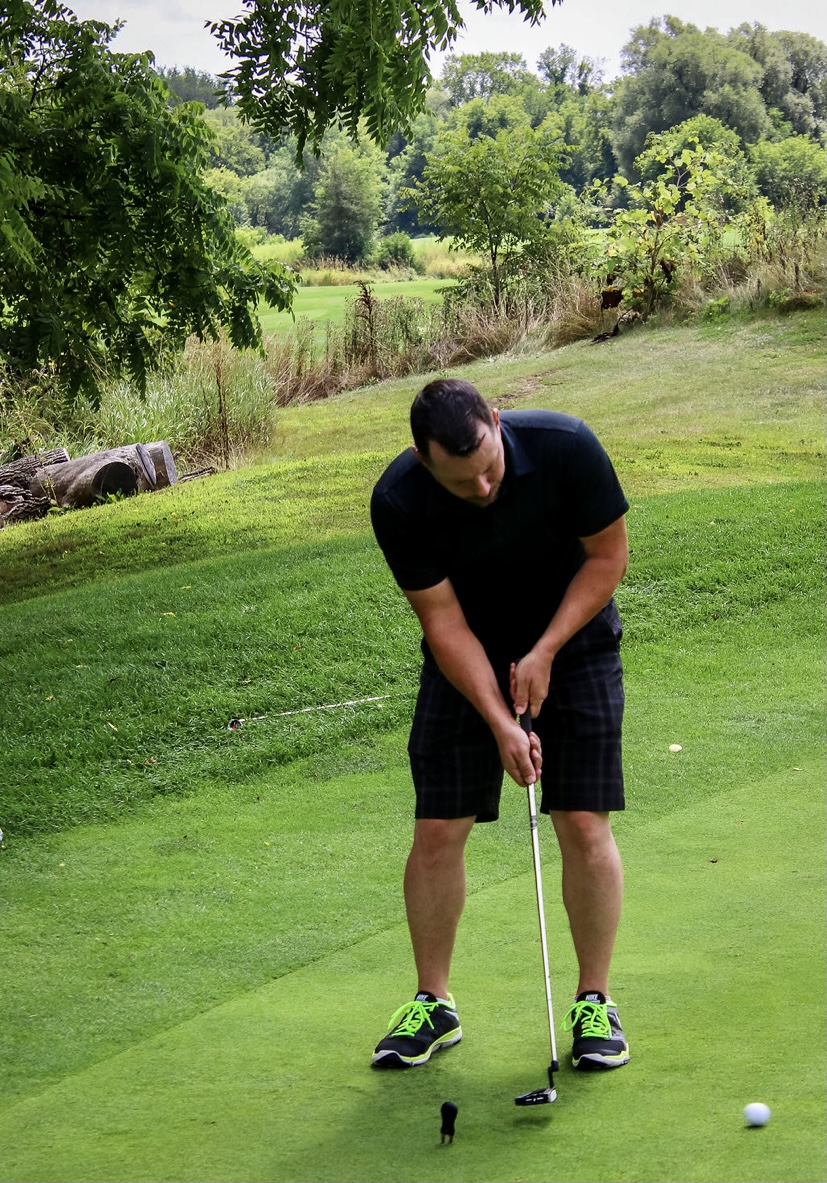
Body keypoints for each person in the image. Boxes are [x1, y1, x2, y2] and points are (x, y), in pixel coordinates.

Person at [368, 378, 631, 1072]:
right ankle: (433, 1002)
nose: (482, 487)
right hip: (466, 656)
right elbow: (442, 620)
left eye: (488, 467)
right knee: (436, 829)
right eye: (461, 481)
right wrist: (499, 721)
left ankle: (594, 1001)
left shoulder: (566, 447)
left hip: (575, 642)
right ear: (423, 461)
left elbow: (608, 557)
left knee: (581, 819)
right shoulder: (398, 499)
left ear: (494, 419)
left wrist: (545, 650)